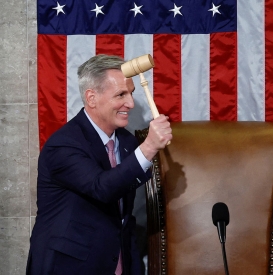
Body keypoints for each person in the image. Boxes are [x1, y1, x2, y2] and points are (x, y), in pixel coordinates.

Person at [26, 54, 172, 275]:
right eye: (121, 94)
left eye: (131, 93)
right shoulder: (63, 145)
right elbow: (102, 188)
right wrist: (149, 147)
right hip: (70, 266)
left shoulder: (127, 141)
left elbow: (124, 217)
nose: (131, 104)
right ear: (91, 98)